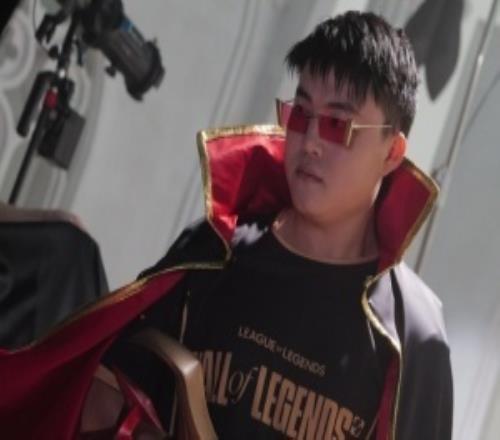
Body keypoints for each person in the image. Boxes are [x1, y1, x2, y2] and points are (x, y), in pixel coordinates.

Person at [0, 10, 452, 439]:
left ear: (392, 153)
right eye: (300, 114)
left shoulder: (410, 336)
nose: (310, 141)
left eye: (338, 124)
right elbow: (105, 390)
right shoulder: (215, 249)